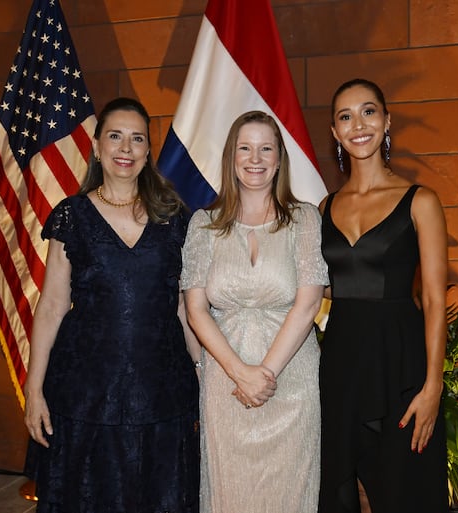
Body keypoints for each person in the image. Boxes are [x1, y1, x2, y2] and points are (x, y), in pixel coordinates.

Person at [23, 97, 200, 513]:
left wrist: (202, 372)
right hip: (85, 394)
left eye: (137, 139)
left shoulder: (175, 217)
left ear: (147, 151)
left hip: (161, 391)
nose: (126, 148)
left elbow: (182, 305)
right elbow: (50, 306)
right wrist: (34, 389)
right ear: (98, 146)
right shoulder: (72, 215)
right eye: (115, 137)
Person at [181, 110, 328, 513]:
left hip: (291, 381)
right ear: (231, 157)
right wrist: (239, 373)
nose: (255, 158)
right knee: (228, 492)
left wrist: (264, 376)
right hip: (225, 383)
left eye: (266, 148)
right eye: (245, 148)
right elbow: (195, 309)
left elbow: (309, 302)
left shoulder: (304, 218)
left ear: (280, 158)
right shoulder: (203, 224)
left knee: (290, 493)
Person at [318, 78, 449, 512]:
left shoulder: (421, 201)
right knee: (336, 490)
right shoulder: (324, 207)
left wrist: (433, 386)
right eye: (345, 116)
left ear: (387, 121)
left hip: (400, 368)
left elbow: (433, 299)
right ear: (335, 133)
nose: (358, 124)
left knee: (405, 491)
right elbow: (309, 290)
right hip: (340, 369)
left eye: (369, 111)